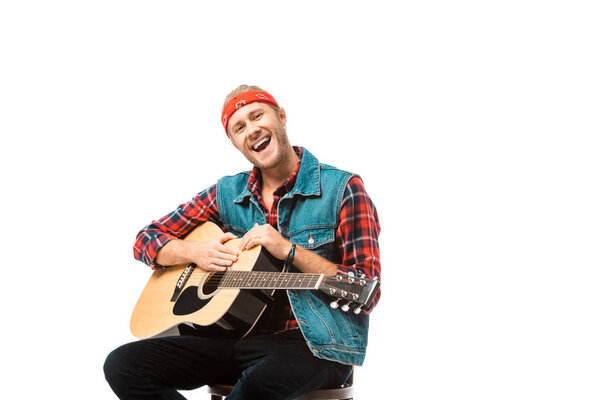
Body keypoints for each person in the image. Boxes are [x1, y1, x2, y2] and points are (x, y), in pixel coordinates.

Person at [104, 85, 381, 400]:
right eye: (239, 127)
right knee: (123, 364)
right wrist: (193, 251)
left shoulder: (343, 189)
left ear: (281, 116)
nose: (252, 129)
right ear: (235, 143)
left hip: (315, 345)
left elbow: (365, 290)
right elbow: (146, 240)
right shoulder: (227, 194)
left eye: (257, 116)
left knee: (257, 386)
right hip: (235, 340)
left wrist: (289, 250)